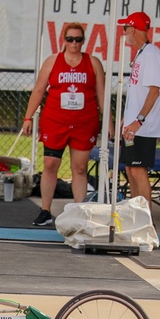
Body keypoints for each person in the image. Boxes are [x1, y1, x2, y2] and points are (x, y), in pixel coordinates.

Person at [22, 21, 105, 226]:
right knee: (50, 165)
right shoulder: (53, 61)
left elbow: (101, 94)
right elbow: (39, 91)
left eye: (78, 39)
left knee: (79, 168)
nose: (74, 43)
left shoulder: (93, 63)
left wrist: (109, 122)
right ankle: (45, 210)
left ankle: (79, 210)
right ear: (64, 40)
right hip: (55, 120)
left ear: (83, 41)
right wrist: (28, 117)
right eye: (70, 39)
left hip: (84, 122)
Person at [117, 12, 160, 210]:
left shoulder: (152, 54)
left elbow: (154, 91)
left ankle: (145, 220)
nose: (124, 33)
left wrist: (139, 120)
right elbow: (139, 91)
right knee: (130, 169)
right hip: (133, 125)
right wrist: (126, 118)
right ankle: (135, 214)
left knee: (138, 169)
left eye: (125, 29)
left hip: (142, 127)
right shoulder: (142, 53)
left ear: (133, 29)